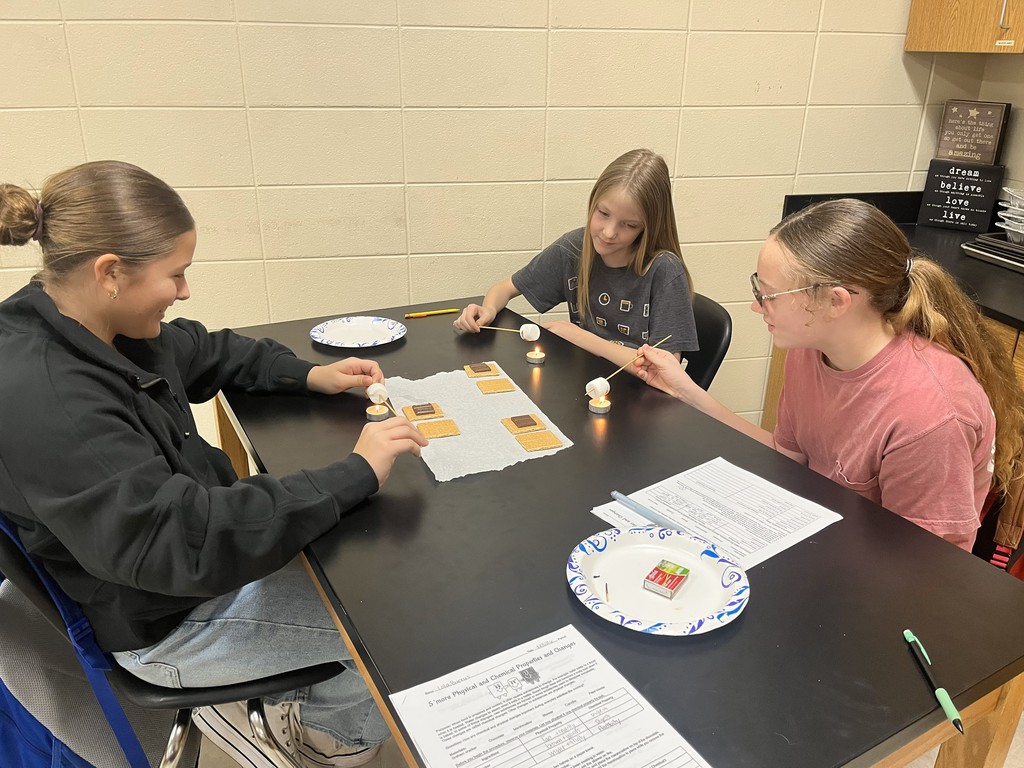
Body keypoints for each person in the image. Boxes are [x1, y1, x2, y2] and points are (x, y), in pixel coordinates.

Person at [0, 160, 428, 767]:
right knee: (393, 618)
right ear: (111, 272)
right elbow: (183, 543)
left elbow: (202, 349)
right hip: (168, 619)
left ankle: (311, 691)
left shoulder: (87, 317)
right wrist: (352, 474)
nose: (184, 291)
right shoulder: (51, 398)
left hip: (186, 563)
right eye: (175, 275)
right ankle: (330, 742)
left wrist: (308, 373)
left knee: (367, 560)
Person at [634, 198, 1024, 551]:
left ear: (835, 302)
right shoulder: (811, 348)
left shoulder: (929, 416)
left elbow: (923, 566)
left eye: (767, 295)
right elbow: (790, 457)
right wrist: (686, 390)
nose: (757, 309)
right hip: (824, 543)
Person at [454, 148, 698, 371]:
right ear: (592, 203)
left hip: (639, 399)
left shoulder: (664, 271)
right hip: (585, 383)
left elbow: (664, 370)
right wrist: (487, 309)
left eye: (629, 225)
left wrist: (579, 337)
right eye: (603, 214)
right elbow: (503, 289)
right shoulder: (574, 249)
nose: (609, 232)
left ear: (648, 227)